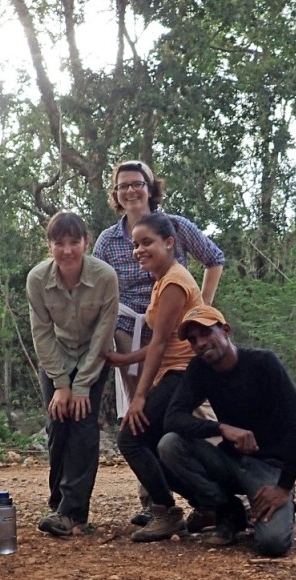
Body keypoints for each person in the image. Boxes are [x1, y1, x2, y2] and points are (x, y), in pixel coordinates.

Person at [93, 159, 225, 526]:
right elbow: (97, 283)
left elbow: (214, 259)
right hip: (132, 329)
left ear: (151, 188)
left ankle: (214, 494)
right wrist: (117, 355)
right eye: (123, 186)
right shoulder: (109, 239)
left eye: (138, 184)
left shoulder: (175, 234)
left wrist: (201, 312)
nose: (131, 190)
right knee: (139, 420)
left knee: (166, 418)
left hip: (174, 341)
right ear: (116, 195)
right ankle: (154, 501)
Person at [159, 305, 296, 556]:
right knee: (169, 444)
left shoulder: (263, 362)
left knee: (272, 544)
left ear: (226, 330)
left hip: (270, 466)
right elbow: (173, 418)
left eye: (206, 333)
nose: (200, 343)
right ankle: (228, 510)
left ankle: (274, 505)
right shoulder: (199, 370)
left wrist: (283, 487)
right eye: (193, 339)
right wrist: (222, 428)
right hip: (230, 460)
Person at [103, 212, 203, 542]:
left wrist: (140, 397)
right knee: (158, 446)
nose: (139, 250)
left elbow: (160, 344)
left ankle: (166, 511)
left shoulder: (175, 281)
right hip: (174, 373)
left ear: (169, 242)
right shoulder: (164, 279)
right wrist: (123, 358)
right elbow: (164, 338)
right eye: (135, 244)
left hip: (181, 375)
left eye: (147, 243)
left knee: (131, 438)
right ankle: (210, 504)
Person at [26, 212, 119, 536]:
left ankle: (72, 511)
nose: (67, 250)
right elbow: (42, 333)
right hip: (55, 356)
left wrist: (81, 386)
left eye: (74, 242)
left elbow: (103, 334)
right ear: (49, 245)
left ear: (86, 242)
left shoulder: (105, 276)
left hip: (93, 356)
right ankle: (58, 505)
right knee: (57, 423)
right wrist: (61, 384)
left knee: (82, 424)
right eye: (59, 243)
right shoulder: (37, 279)